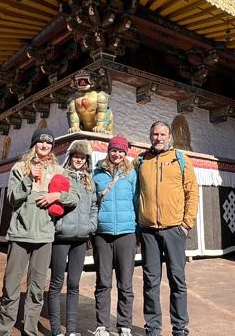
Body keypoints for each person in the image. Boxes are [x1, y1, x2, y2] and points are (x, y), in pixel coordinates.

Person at [0, 129, 77, 336]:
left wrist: (56, 196)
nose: (44, 146)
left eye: (49, 143)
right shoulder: (19, 168)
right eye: (41, 142)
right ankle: (4, 331)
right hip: (20, 234)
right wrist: (28, 179)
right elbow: (12, 199)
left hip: (44, 236)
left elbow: (74, 197)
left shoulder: (58, 170)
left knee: (36, 290)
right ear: (34, 144)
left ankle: (30, 331)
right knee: (10, 288)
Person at [136, 121, 198, 336]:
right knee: (150, 281)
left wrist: (186, 224)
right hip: (148, 230)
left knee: (177, 280)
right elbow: (134, 191)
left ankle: (179, 328)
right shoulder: (141, 161)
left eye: (163, 134)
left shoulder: (181, 159)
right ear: (150, 136)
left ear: (169, 137)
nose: (159, 138)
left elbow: (192, 192)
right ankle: (153, 327)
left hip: (175, 230)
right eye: (155, 134)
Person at [48, 140, 98, 336]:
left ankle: (71, 330)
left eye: (82, 157)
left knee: (74, 284)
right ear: (70, 157)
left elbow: (94, 205)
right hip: (61, 236)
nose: (78, 160)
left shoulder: (89, 181)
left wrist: (91, 226)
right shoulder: (61, 176)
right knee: (56, 283)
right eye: (76, 156)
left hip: (81, 238)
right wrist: (57, 225)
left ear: (86, 160)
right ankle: (56, 330)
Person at [92, 135, 138, 336]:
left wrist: (136, 228)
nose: (117, 154)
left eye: (121, 151)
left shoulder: (131, 174)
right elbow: (92, 201)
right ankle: (102, 325)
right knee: (103, 282)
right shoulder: (96, 173)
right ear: (108, 151)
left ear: (125, 153)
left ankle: (124, 325)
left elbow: (136, 200)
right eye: (114, 150)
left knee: (125, 283)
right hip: (102, 234)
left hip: (126, 233)